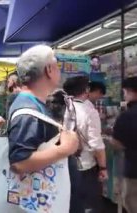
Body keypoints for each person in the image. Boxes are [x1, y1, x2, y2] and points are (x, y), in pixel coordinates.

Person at [7, 45, 79, 212]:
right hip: (41, 202)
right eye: (57, 65)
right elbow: (19, 162)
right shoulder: (28, 111)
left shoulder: (33, 104)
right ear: (49, 69)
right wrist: (65, 149)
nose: (59, 71)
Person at [63, 76, 108, 213]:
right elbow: (97, 145)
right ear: (86, 89)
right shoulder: (89, 111)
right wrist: (103, 168)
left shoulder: (66, 107)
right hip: (85, 166)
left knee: (71, 203)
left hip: (66, 162)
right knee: (88, 205)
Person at [112, 77, 137, 213]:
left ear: (131, 92)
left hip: (134, 171)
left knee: (132, 201)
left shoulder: (126, 116)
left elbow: (117, 144)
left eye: (125, 92)